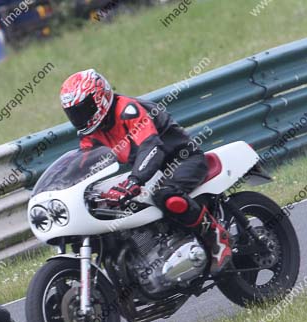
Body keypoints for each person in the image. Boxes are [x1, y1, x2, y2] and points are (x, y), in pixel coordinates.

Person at [59, 69, 232, 274]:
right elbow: (85, 163)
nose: (81, 117)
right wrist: (67, 186)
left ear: (100, 98)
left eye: (84, 108)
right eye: (74, 113)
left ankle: (216, 238)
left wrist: (134, 181)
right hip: (150, 171)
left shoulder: (128, 110)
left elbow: (151, 147)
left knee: (167, 196)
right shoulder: (92, 133)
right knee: (110, 209)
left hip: (181, 160)